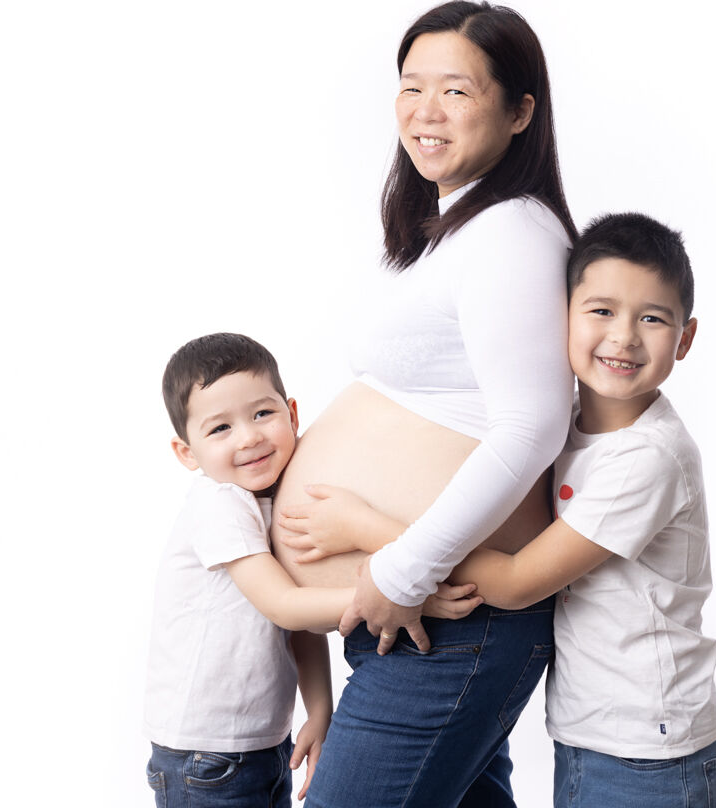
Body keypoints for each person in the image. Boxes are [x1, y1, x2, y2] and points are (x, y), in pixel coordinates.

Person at [286, 214, 716, 807]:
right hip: (591, 732)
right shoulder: (574, 416)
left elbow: (520, 582)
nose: (624, 337)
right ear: (562, 317)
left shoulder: (645, 459)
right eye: (600, 311)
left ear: (685, 337)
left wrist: (367, 529)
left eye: (652, 318)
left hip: (652, 750)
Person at [270, 0, 576, 806]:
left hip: (448, 621)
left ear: (519, 112)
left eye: (456, 91)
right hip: (417, 620)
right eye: (410, 88)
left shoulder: (513, 231)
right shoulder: (448, 226)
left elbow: (533, 425)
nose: (425, 112)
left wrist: (402, 568)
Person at [143, 333, 478, 806]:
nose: (250, 436)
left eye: (263, 413)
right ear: (187, 453)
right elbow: (284, 606)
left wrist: (319, 710)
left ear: (293, 414)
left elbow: (300, 629)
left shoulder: (270, 497)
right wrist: (398, 588)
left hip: (258, 741)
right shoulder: (219, 503)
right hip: (205, 753)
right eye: (220, 429)